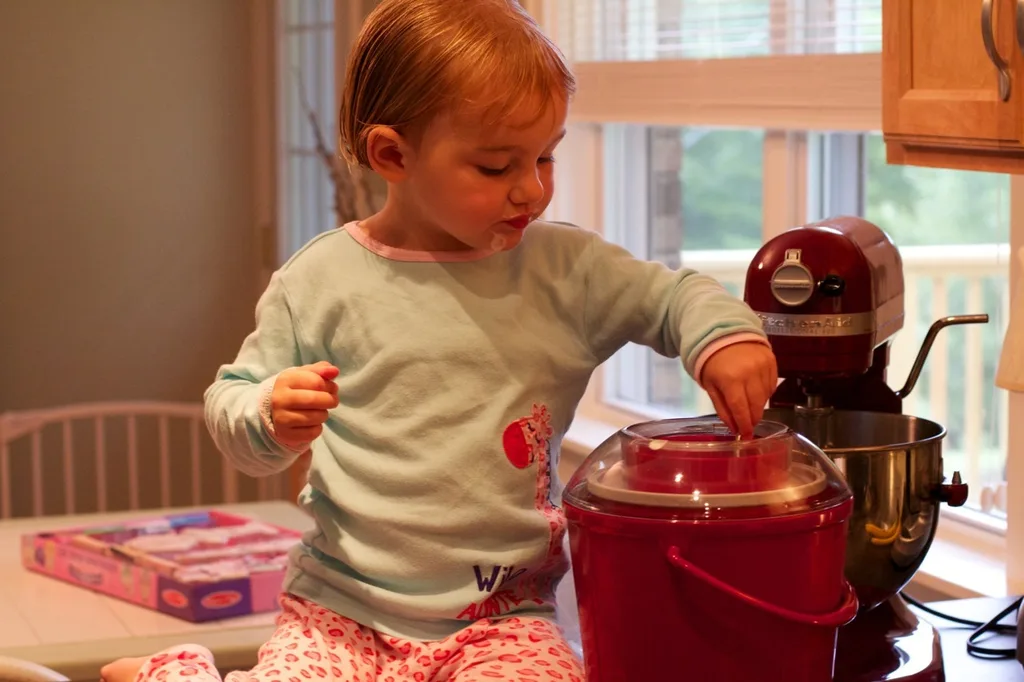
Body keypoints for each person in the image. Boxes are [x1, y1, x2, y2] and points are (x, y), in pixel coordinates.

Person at [101, 1, 776, 681]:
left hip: (503, 620)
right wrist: (270, 413)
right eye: (494, 167)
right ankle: (170, 670)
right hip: (341, 613)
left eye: (546, 156)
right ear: (392, 155)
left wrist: (722, 340)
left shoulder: (567, 271)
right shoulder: (320, 279)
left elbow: (674, 297)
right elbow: (232, 406)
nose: (532, 189)